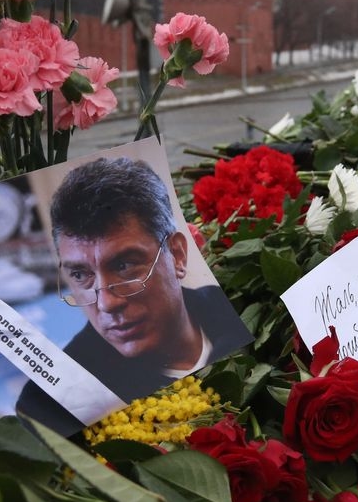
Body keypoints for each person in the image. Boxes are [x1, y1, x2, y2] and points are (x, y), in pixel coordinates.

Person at [17, 156, 249, 435]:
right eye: (80, 275)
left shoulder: (236, 305)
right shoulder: (51, 405)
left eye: (124, 266)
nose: (106, 303)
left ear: (177, 255)